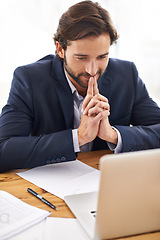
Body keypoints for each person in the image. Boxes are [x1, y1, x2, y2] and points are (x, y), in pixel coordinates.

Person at [0, 1, 160, 173]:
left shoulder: (126, 74)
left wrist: (112, 135)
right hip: (51, 186)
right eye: (81, 58)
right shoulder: (29, 79)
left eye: (101, 57)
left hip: (107, 183)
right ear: (60, 49)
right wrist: (79, 137)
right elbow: (4, 150)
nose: (92, 70)